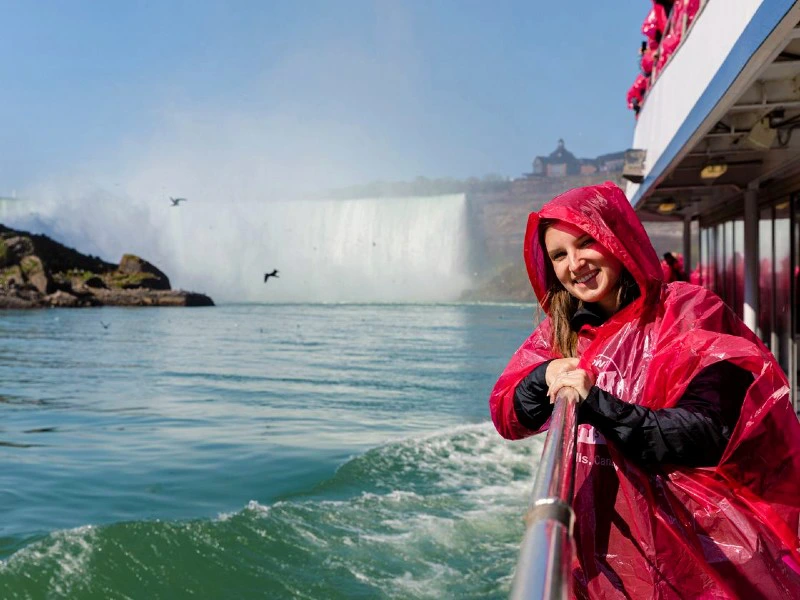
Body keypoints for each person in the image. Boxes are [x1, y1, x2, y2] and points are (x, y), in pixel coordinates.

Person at [489, 182, 800, 598]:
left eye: (585, 243)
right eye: (559, 255)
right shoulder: (562, 333)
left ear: (614, 237)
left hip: (693, 555)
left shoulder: (689, 312)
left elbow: (704, 432)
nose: (575, 263)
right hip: (602, 560)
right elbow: (507, 415)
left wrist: (596, 403)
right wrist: (540, 378)